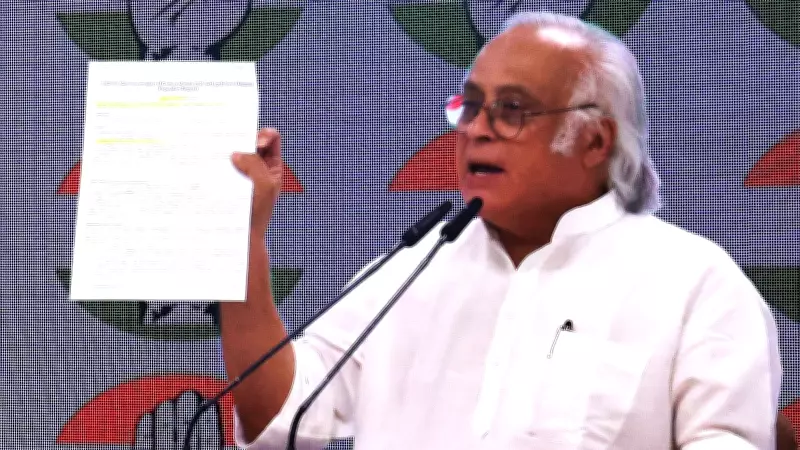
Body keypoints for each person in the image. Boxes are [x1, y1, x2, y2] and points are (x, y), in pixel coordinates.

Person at [219, 11, 782, 450]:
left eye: (512, 109)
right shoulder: (410, 270)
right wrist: (244, 239)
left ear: (595, 140)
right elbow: (276, 419)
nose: (475, 130)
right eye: (469, 107)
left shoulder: (694, 283)